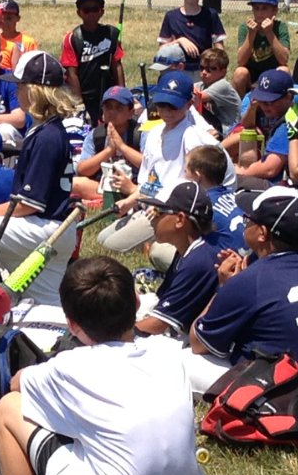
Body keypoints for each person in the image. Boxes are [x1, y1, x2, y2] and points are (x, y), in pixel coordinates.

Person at [0, 256, 234, 475]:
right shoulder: (170, 357)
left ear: (71, 323)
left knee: (8, 409)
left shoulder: (66, 369)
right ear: (137, 304)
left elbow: (17, 386)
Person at [190, 187, 298, 408]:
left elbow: (198, 342)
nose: (245, 223)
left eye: (248, 219)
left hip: (287, 399)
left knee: (183, 361)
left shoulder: (251, 280)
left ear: (262, 233)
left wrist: (224, 287)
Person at [0, 52, 80, 304]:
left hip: (46, 226)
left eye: (20, 85)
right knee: (45, 300)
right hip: (56, 227)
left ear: (34, 91)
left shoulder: (47, 137)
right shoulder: (45, 130)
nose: (15, 91)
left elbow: (28, 204)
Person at [101, 70, 212, 254]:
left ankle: (160, 243)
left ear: (189, 104)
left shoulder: (192, 137)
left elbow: (192, 186)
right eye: (161, 105)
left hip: (168, 209)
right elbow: (146, 181)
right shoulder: (153, 132)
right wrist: (130, 201)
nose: (166, 111)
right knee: (102, 239)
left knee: (113, 246)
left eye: (173, 106)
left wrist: (161, 208)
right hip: (146, 204)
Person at [134, 181, 221, 337]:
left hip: (198, 348)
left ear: (180, 219)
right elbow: (161, 300)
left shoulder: (198, 261)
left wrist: (114, 334)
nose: (152, 219)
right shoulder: (187, 251)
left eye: (158, 212)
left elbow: (158, 324)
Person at [61, 0, 125, 124]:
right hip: (84, 95)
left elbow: (117, 64)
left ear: (102, 11)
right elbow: (72, 74)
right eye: (86, 10)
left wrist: (122, 94)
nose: (91, 13)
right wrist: (79, 104)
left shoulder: (112, 34)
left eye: (95, 9)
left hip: (108, 94)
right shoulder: (73, 38)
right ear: (79, 13)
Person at [74, 85, 142, 203]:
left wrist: (122, 147)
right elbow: (82, 170)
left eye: (119, 108)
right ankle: (110, 199)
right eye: (108, 107)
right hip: (103, 185)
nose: (112, 112)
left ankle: (120, 199)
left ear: (131, 112)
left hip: (133, 186)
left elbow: (149, 165)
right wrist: (109, 151)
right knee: (76, 183)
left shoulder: (140, 133)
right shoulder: (96, 135)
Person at [158, 0, 226, 74]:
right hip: (177, 69)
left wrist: (219, 67)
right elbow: (162, 50)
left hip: (203, 69)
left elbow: (219, 47)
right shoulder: (171, 16)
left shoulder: (210, 14)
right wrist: (179, 41)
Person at [186, 144, 245, 252]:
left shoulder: (202, 205)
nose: (184, 175)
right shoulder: (236, 197)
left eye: (186, 171)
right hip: (248, 259)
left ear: (197, 175)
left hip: (225, 260)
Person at [232, 0, 291, 97]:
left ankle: (280, 108)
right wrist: (251, 34)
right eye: (256, 8)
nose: (259, 13)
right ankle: (240, 110)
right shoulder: (245, 28)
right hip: (251, 75)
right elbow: (241, 61)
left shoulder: (280, 27)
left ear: (274, 11)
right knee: (240, 73)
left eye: (264, 9)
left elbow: (284, 60)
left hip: (273, 74)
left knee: (284, 70)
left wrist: (269, 33)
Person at [195, 49, 241, 133]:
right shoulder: (200, 85)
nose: (204, 72)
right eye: (201, 68)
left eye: (210, 69)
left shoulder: (223, 85)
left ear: (223, 72)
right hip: (213, 128)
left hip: (227, 131)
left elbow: (197, 97)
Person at [0, 0, 38, 71]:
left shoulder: (27, 42)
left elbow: (34, 67)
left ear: (17, 18)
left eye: (9, 18)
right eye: (2, 18)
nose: (4, 22)